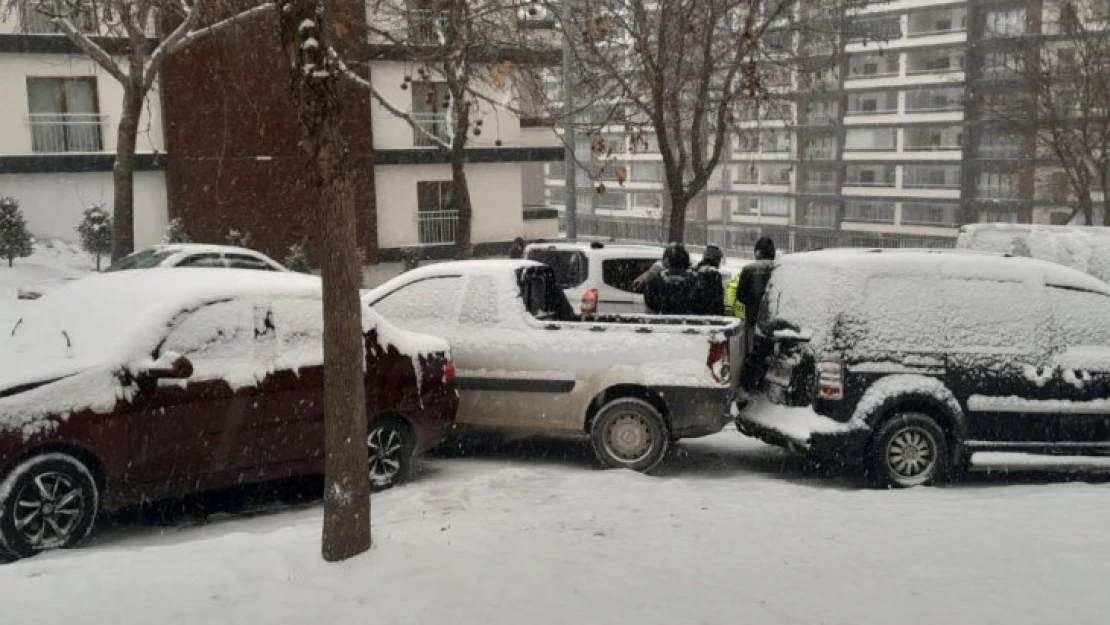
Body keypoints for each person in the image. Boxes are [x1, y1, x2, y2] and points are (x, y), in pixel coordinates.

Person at [726, 237, 777, 392]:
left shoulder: (749, 269)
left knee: (753, 351)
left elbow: (740, 295)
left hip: (754, 318)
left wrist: (753, 303)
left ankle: (752, 384)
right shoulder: (779, 268)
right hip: (776, 318)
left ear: (758, 252)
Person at [644, 243, 700, 315]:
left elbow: (650, 306)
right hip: (687, 322)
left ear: (670, 260)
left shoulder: (658, 278)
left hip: (664, 322)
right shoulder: (695, 279)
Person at [690, 244, 725, 316]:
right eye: (719, 259)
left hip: (692, 313)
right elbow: (718, 300)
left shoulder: (694, 270)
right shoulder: (714, 274)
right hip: (708, 316)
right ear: (716, 259)